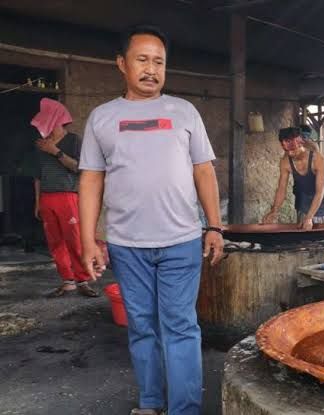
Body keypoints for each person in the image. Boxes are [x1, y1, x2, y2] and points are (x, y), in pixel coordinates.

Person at [78, 24, 224, 415]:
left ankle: (184, 409)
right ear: (121, 64)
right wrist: (89, 239)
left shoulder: (184, 111)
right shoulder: (102, 118)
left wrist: (214, 226)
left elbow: (204, 171)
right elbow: (91, 178)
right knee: (141, 327)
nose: (151, 69)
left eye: (159, 62)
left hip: (180, 241)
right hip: (127, 245)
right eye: (142, 59)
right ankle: (150, 403)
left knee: (179, 327)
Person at [30, 98, 98, 298]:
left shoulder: (73, 140)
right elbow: (38, 175)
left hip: (68, 197)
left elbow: (80, 168)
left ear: (57, 120)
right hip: (46, 198)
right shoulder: (40, 145)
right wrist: (37, 201)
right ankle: (68, 281)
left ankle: (83, 279)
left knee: (75, 240)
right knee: (55, 242)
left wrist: (56, 151)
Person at [262, 127, 324, 229]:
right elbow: (281, 188)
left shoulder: (318, 159)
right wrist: (274, 210)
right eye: (286, 150)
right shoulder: (285, 162)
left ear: (300, 143)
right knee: (306, 242)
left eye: (292, 150)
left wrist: (309, 217)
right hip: (306, 204)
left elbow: (320, 192)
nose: (289, 153)